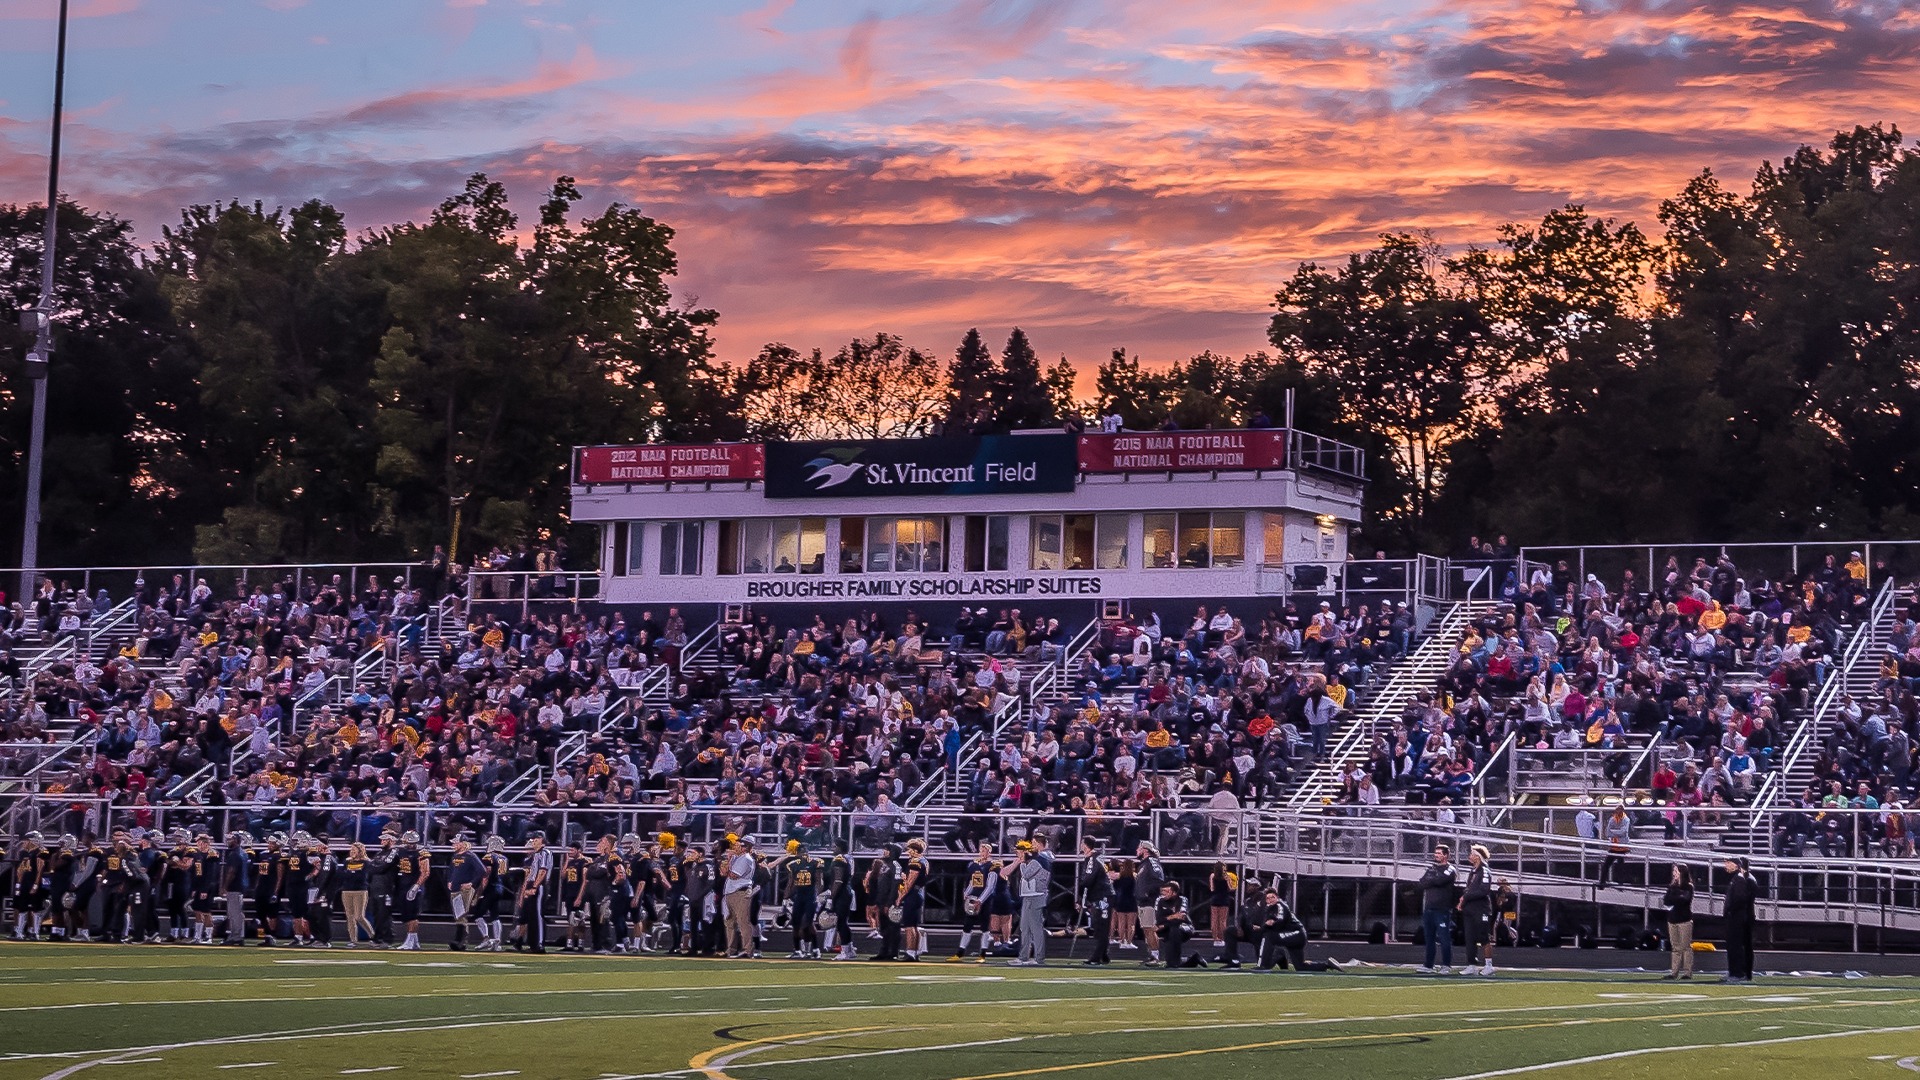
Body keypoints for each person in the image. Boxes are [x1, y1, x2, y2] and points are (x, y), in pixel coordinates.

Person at [1252, 887, 1333, 972]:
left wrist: (1269, 925)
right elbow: (1268, 924)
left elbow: (1279, 921)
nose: (1270, 900)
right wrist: (1263, 926)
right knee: (1300, 967)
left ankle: (1263, 965)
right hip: (1295, 936)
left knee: (1269, 936)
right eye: (1268, 898)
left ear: (1277, 897)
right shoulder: (1270, 909)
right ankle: (1326, 965)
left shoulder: (1280, 905)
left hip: (1297, 934)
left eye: (1272, 897)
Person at [1003, 835, 1053, 966]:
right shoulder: (1034, 859)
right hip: (1028, 896)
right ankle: (1023, 956)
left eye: (1034, 842)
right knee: (1024, 928)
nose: (1032, 845)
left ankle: (1039, 958)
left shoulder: (1040, 860)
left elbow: (1026, 875)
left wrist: (1022, 861)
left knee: (1036, 928)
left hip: (1036, 896)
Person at [1416, 844, 1457, 974]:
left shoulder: (1450, 869)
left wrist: (1431, 880)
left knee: (1444, 938)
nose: (1436, 855)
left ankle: (1446, 965)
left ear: (1446, 855)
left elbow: (1440, 881)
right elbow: (1422, 882)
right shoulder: (1431, 869)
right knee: (1429, 938)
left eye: (1439, 853)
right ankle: (1428, 965)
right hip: (1429, 908)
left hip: (1442, 909)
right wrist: (1432, 879)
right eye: (1436, 853)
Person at [952, 842, 995, 961]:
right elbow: (973, 882)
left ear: (989, 852)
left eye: (985, 850)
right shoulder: (974, 865)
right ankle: (960, 952)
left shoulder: (993, 866)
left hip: (984, 900)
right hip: (973, 898)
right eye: (981, 850)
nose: (982, 853)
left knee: (985, 927)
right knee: (967, 926)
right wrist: (966, 893)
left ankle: (983, 954)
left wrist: (981, 900)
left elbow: (990, 886)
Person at [1458, 844, 1495, 976]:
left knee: (1483, 937)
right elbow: (1469, 889)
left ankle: (1489, 965)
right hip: (1470, 909)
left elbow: (1484, 890)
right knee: (1470, 937)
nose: (1470, 856)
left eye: (1472, 854)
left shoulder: (1485, 871)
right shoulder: (1473, 872)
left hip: (1481, 909)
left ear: (1478, 857)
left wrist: (1466, 896)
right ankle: (1471, 964)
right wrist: (1463, 900)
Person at [1722, 856, 1760, 984]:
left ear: (1737, 865)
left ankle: (1739, 973)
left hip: (1739, 918)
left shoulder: (1741, 879)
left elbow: (1741, 899)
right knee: (1741, 946)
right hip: (1743, 917)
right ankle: (1740, 972)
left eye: (1728, 863)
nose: (1725, 865)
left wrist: (1730, 911)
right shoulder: (1743, 878)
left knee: (1738, 946)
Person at [447, 835, 486, 952]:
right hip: (455, 888)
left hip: (464, 889)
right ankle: (460, 941)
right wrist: (449, 880)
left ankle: (460, 940)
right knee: (458, 915)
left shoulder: (470, 856)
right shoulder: (455, 856)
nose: (453, 845)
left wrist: (471, 883)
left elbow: (482, 870)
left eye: (455, 843)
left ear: (463, 843)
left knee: (461, 915)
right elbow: (451, 870)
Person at [721, 835, 759, 958]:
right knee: (729, 921)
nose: (739, 846)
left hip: (741, 891)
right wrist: (728, 859)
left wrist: (728, 862)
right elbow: (723, 873)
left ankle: (747, 950)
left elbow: (733, 875)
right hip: (730, 891)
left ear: (747, 847)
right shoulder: (736, 857)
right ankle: (730, 949)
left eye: (742, 845)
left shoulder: (746, 858)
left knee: (743, 922)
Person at [392, 830, 430, 951]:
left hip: (414, 886)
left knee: (412, 915)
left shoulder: (421, 853)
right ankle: (414, 941)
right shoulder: (401, 851)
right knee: (406, 914)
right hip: (403, 885)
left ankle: (410, 940)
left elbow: (425, 872)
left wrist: (416, 886)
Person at [1078, 836, 1112, 966]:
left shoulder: (1092, 859)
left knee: (1101, 927)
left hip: (1102, 896)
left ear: (1085, 845)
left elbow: (1088, 878)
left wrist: (1080, 895)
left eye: (1082, 843)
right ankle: (1103, 954)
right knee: (1099, 926)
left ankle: (1097, 957)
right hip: (1100, 896)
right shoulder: (1098, 857)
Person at [865, 844, 903, 961]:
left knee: (893, 927)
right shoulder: (884, 865)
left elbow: (895, 885)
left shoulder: (896, 866)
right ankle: (884, 951)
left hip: (889, 902)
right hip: (881, 901)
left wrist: (889, 903)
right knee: (884, 928)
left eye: (888, 850)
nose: (885, 851)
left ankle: (893, 952)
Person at [516, 832, 552, 954]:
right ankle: (533, 944)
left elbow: (542, 871)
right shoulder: (535, 855)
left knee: (537, 915)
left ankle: (539, 944)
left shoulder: (544, 853)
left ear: (542, 840)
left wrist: (535, 886)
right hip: (533, 884)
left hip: (539, 885)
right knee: (531, 916)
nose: (533, 841)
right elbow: (531, 873)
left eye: (536, 839)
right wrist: (527, 888)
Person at [338, 842, 376, 948]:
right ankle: (353, 940)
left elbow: (362, 876)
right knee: (350, 916)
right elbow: (341, 875)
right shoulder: (347, 861)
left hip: (360, 891)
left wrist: (350, 874)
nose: (352, 852)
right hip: (346, 891)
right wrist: (352, 874)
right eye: (351, 850)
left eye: (354, 850)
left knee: (359, 916)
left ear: (360, 851)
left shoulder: (367, 862)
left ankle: (373, 936)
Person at [1661, 864, 1695, 980]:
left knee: (1685, 947)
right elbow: (1666, 900)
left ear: (1681, 872)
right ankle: (1674, 972)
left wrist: (1675, 898)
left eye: (1676, 870)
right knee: (1675, 947)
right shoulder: (1672, 887)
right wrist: (1676, 897)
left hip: (1684, 920)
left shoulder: (1688, 886)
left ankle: (1687, 972)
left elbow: (1685, 899)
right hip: (1672, 920)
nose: (1674, 873)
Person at [898, 838, 928, 960]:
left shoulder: (915, 862)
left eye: (909, 849)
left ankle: (910, 952)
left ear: (915, 850)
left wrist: (900, 897)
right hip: (918, 893)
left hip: (913, 894)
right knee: (914, 925)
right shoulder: (924, 861)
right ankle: (914, 952)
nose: (907, 851)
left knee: (909, 925)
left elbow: (910, 883)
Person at [1150, 881, 1193, 968]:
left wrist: (1165, 924)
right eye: (1162, 891)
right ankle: (1191, 959)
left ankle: (1175, 961)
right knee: (1170, 930)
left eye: (1166, 891)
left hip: (1185, 927)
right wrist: (1172, 917)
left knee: (1175, 929)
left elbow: (1181, 918)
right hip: (1165, 928)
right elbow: (1159, 919)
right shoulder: (1159, 900)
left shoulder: (1182, 899)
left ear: (1174, 893)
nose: (1163, 894)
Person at [220, 833, 252, 946]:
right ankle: (238, 935)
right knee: (237, 912)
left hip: (235, 886)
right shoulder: (243, 853)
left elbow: (231, 872)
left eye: (230, 839)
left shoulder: (235, 854)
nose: (228, 841)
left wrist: (224, 886)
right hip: (242, 885)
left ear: (236, 840)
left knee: (234, 913)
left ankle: (236, 936)